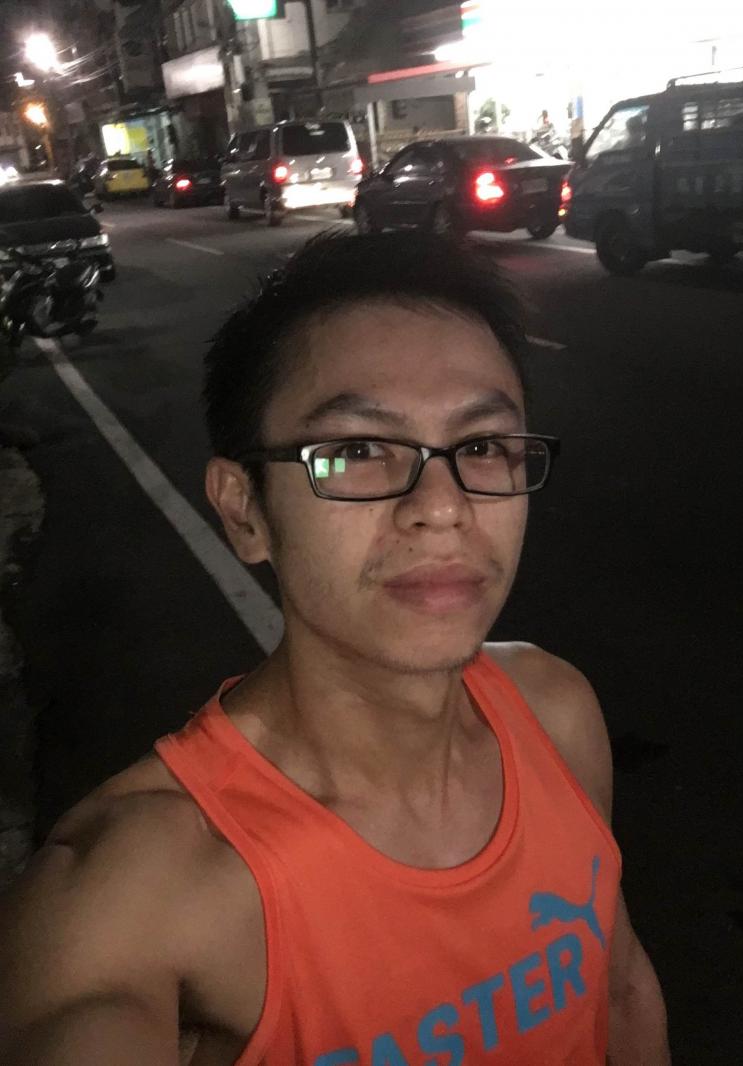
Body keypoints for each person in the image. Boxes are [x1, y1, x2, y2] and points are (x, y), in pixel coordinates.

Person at [0, 232, 670, 1065]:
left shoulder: (555, 711)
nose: (442, 507)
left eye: (482, 447)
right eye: (356, 451)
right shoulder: (132, 899)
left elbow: (620, 988)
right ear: (244, 511)